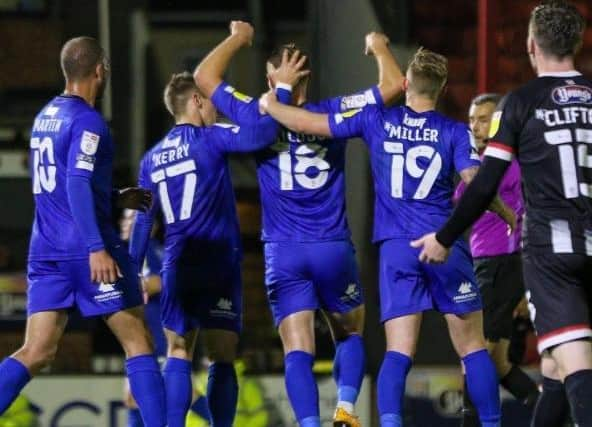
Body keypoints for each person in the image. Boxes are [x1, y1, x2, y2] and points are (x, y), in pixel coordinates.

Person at [259, 46, 519, 427]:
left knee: (398, 352)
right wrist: (506, 212)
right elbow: (473, 182)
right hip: (444, 242)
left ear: (407, 83)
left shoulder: (376, 119)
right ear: (443, 88)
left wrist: (272, 106)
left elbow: (309, 125)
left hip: (397, 248)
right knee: (472, 348)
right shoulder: (454, 131)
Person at [194, 21, 403, 427]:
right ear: (308, 76)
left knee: (297, 346)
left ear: (272, 77)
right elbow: (395, 85)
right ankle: (344, 409)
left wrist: (239, 38)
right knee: (350, 332)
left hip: (283, 250)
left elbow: (204, 77)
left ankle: (308, 424)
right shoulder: (334, 111)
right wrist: (378, 46)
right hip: (331, 245)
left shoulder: (256, 114)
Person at [410, 1, 592, 426]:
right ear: (579, 42)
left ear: (530, 44)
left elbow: (485, 181)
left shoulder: (519, 103)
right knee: (553, 370)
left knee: (577, 361)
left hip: (551, 250)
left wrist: (444, 236)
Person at [0, 36, 166, 427]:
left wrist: (111, 197)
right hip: (85, 247)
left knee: (36, 350)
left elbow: (60, 184)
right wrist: (97, 246)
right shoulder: (89, 121)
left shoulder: (46, 116)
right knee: (138, 340)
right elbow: (75, 182)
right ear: (100, 69)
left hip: (46, 249)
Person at [129, 65, 298, 427]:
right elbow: (263, 132)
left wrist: (132, 270)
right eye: (210, 103)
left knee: (177, 351)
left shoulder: (150, 159)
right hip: (218, 261)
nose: (215, 110)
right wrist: (282, 91)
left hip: (176, 263)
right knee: (222, 355)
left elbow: (143, 220)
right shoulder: (210, 138)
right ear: (195, 101)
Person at [456, 94, 539, 426]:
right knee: (500, 361)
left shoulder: (495, 162)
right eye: (472, 119)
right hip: (502, 262)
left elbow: (477, 199)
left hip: (497, 262)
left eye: (483, 119)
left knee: (473, 352)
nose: (475, 126)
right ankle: (550, 409)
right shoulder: (494, 159)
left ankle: (470, 421)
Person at [120, 209, 167, 427]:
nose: (125, 222)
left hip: (154, 335)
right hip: (138, 335)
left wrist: (119, 288)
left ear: (151, 226)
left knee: (141, 395)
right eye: (124, 217)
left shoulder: (147, 249)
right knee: (132, 398)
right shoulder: (136, 253)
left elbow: (159, 281)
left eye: (132, 218)